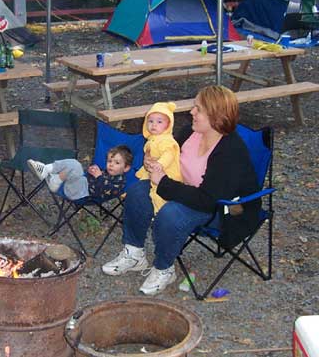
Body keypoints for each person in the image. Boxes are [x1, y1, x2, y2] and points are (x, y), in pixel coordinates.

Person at [102, 85, 261, 295]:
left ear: (216, 116)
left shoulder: (230, 151)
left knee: (171, 214)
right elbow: (171, 160)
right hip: (187, 191)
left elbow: (207, 200)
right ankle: (134, 253)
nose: (191, 113)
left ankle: (164, 268)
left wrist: (165, 183)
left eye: (198, 109)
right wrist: (155, 163)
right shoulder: (190, 133)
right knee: (138, 191)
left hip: (224, 209)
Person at [26, 145, 133, 201]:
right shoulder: (107, 172)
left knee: (75, 165)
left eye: (117, 163)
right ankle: (51, 176)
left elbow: (106, 189)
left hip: (81, 193)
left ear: (126, 168)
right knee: (74, 166)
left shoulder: (120, 182)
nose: (111, 165)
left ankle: (48, 172)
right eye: (109, 161)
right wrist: (93, 172)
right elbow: (95, 178)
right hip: (80, 186)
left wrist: (98, 176)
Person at [135, 102, 182, 213]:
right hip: (153, 171)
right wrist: (147, 161)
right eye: (150, 121)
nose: (154, 125)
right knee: (147, 191)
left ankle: (159, 212)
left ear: (168, 124)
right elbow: (148, 154)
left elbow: (169, 154)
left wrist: (160, 164)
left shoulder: (167, 140)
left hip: (167, 173)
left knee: (158, 195)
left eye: (159, 122)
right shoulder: (152, 139)